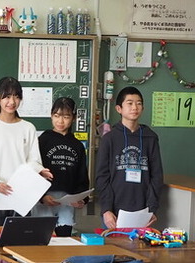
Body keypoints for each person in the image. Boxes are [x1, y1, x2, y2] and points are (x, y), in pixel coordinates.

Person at [0, 76, 53, 233]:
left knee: (20, 245)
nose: (12, 102)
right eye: (7, 96)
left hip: (21, 200)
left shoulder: (28, 128)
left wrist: (39, 170)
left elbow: (33, 160)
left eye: (17, 96)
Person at [95, 86, 164, 229]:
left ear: (143, 108)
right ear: (119, 109)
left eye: (139, 103)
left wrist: (152, 208)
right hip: (114, 212)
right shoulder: (109, 139)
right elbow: (102, 177)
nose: (135, 107)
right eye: (130, 103)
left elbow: (156, 176)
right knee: (114, 244)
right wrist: (106, 209)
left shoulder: (150, 138)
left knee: (140, 244)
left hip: (143, 211)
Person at [32, 97, 89, 236]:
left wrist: (82, 198)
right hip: (45, 200)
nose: (60, 121)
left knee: (64, 237)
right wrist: (42, 197)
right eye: (56, 116)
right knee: (42, 239)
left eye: (66, 117)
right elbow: (34, 171)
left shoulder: (77, 145)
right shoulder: (42, 141)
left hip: (67, 202)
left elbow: (82, 176)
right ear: (51, 116)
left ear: (73, 118)